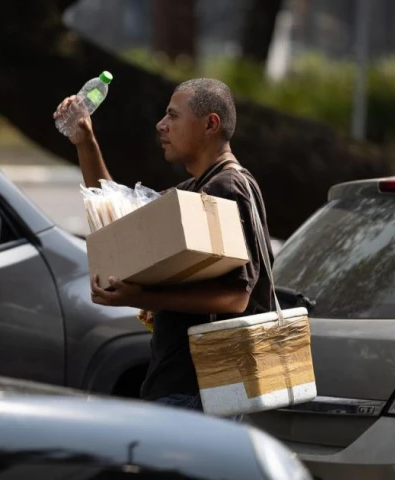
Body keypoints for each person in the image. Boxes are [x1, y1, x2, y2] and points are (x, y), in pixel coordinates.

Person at [53, 78, 274, 417]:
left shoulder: (226, 188)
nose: (161, 125)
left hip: (198, 392)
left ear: (210, 124)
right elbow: (120, 218)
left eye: (173, 116)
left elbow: (235, 296)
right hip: (187, 388)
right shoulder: (202, 186)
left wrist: (142, 298)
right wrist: (86, 141)